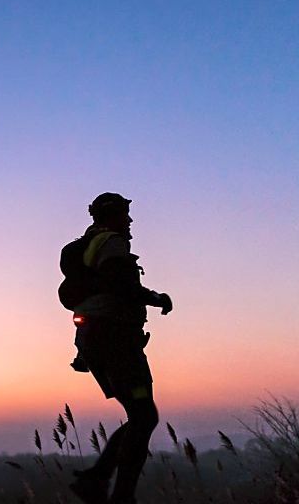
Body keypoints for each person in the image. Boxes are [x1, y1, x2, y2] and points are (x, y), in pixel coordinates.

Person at [66, 193, 173, 504]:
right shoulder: (111, 243)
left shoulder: (87, 246)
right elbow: (121, 285)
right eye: (125, 214)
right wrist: (157, 298)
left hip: (96, 341)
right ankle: (117, 493)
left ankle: (98, 481)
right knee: (143, 416)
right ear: (111, 215)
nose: (129, 221)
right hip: (117, 341)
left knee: (140, 415)